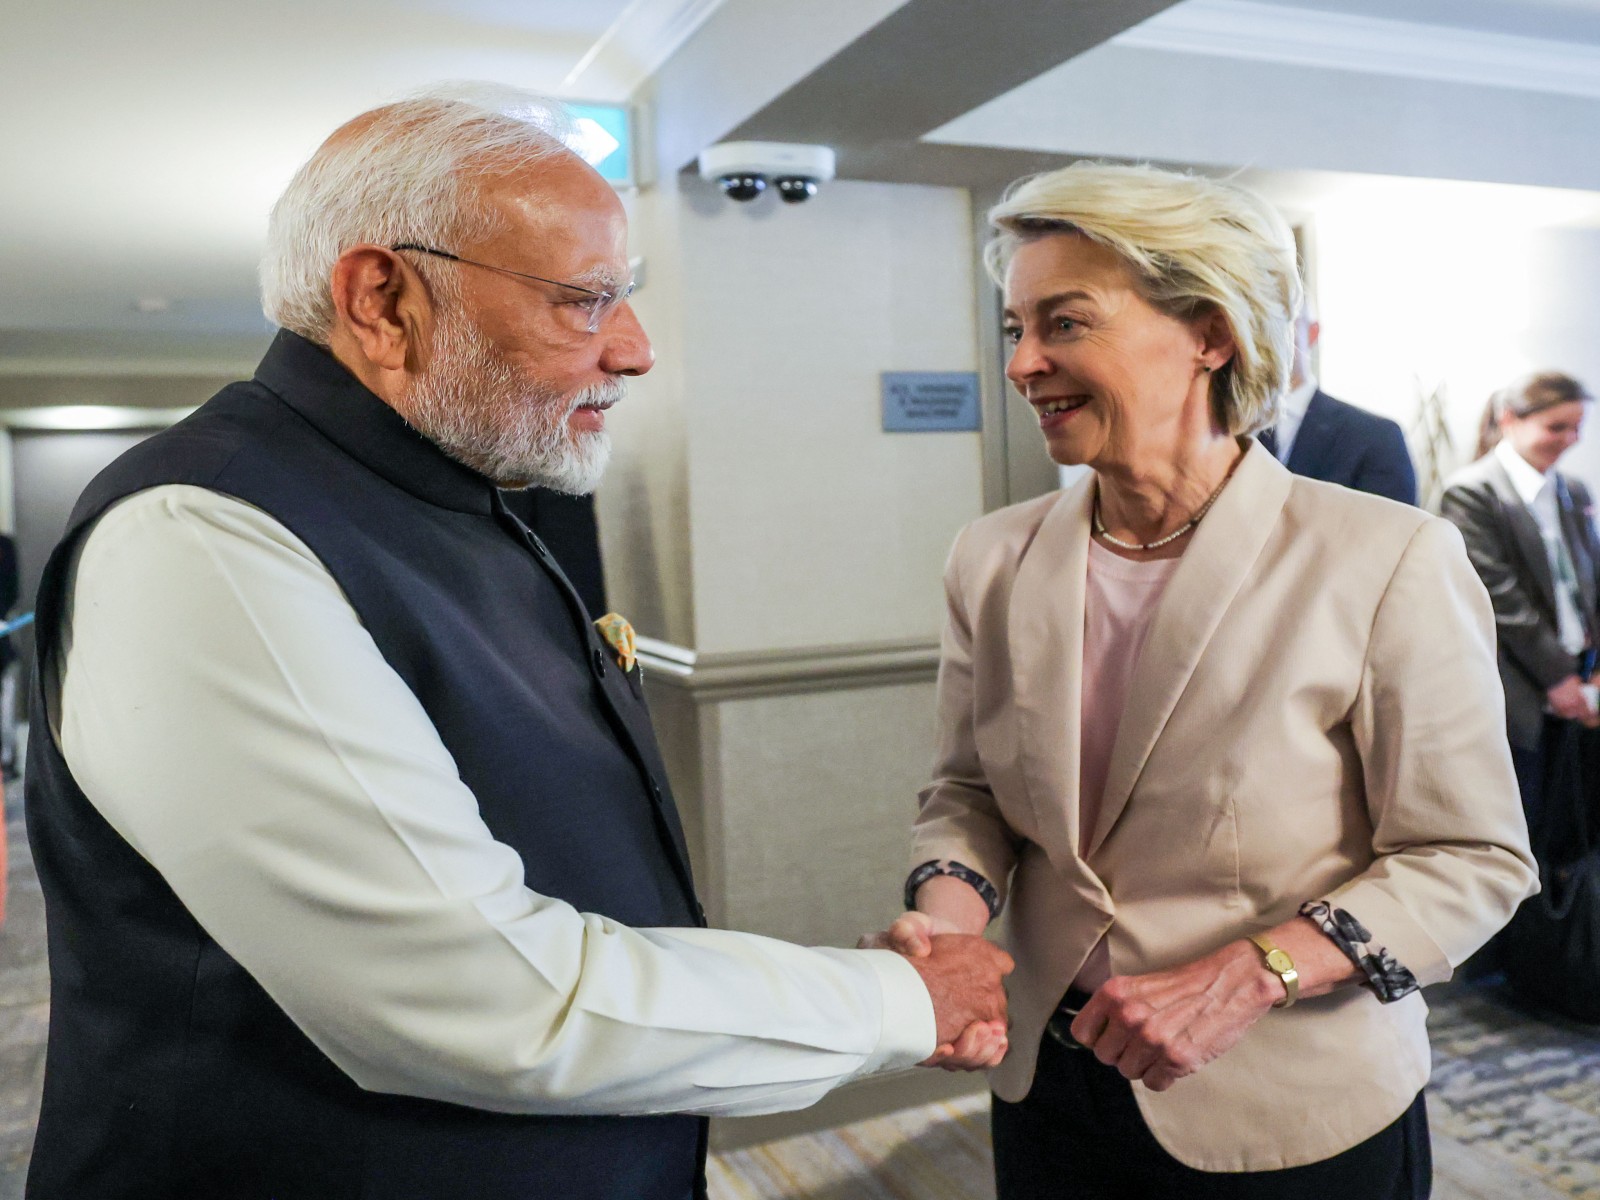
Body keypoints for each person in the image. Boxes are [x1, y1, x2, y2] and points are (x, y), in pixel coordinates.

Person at [23, 86, 1012, 1200]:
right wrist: (896, 1002)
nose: (635, 352)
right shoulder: (206, 535)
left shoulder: (468, 497)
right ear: (382, 299)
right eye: (586, 303)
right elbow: (478, 994)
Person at [870, 162, 1536, 1198]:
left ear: (1210, 334)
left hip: (1287, 1100)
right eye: (1014, 329)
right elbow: (965, 793)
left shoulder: (1384, 554)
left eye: (1064, 323)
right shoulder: (990, 557)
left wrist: (1250, 973)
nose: (1022, 363)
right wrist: (945, 921)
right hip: (1049, 1076)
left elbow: (1471, 858)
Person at [1439, 372, 1600, 826]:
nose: (1570, 439)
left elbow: (1591, 581)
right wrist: (1557, 677)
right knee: (1520, 824)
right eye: (1557, 427)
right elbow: (1499, 596)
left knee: (1572, 830)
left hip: (1578, 676)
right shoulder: (1472, 492)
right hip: (1518, 685)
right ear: (1509, 419)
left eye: (1577, 428)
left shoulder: (1574, 490)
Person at [1257, 297, 1417, 504]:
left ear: (1312, 332)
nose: (1261, 332)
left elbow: (1392, 533)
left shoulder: (1377, 440)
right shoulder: (1220, 433)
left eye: (1279, 317)